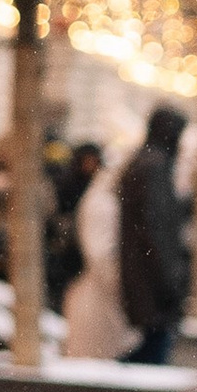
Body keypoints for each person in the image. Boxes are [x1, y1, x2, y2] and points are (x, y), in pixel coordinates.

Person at [117, 103, 190, 365]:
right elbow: (156, 233)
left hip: (144, 283)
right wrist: (172, 280)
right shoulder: (154, 167)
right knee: (151, 359)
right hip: (153, 287)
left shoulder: (144, 163)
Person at [60, 146, 125, 359]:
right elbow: (99, 255)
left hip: (91, 291)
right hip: (93, 295)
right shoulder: (102, 201)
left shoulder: (100, 196)